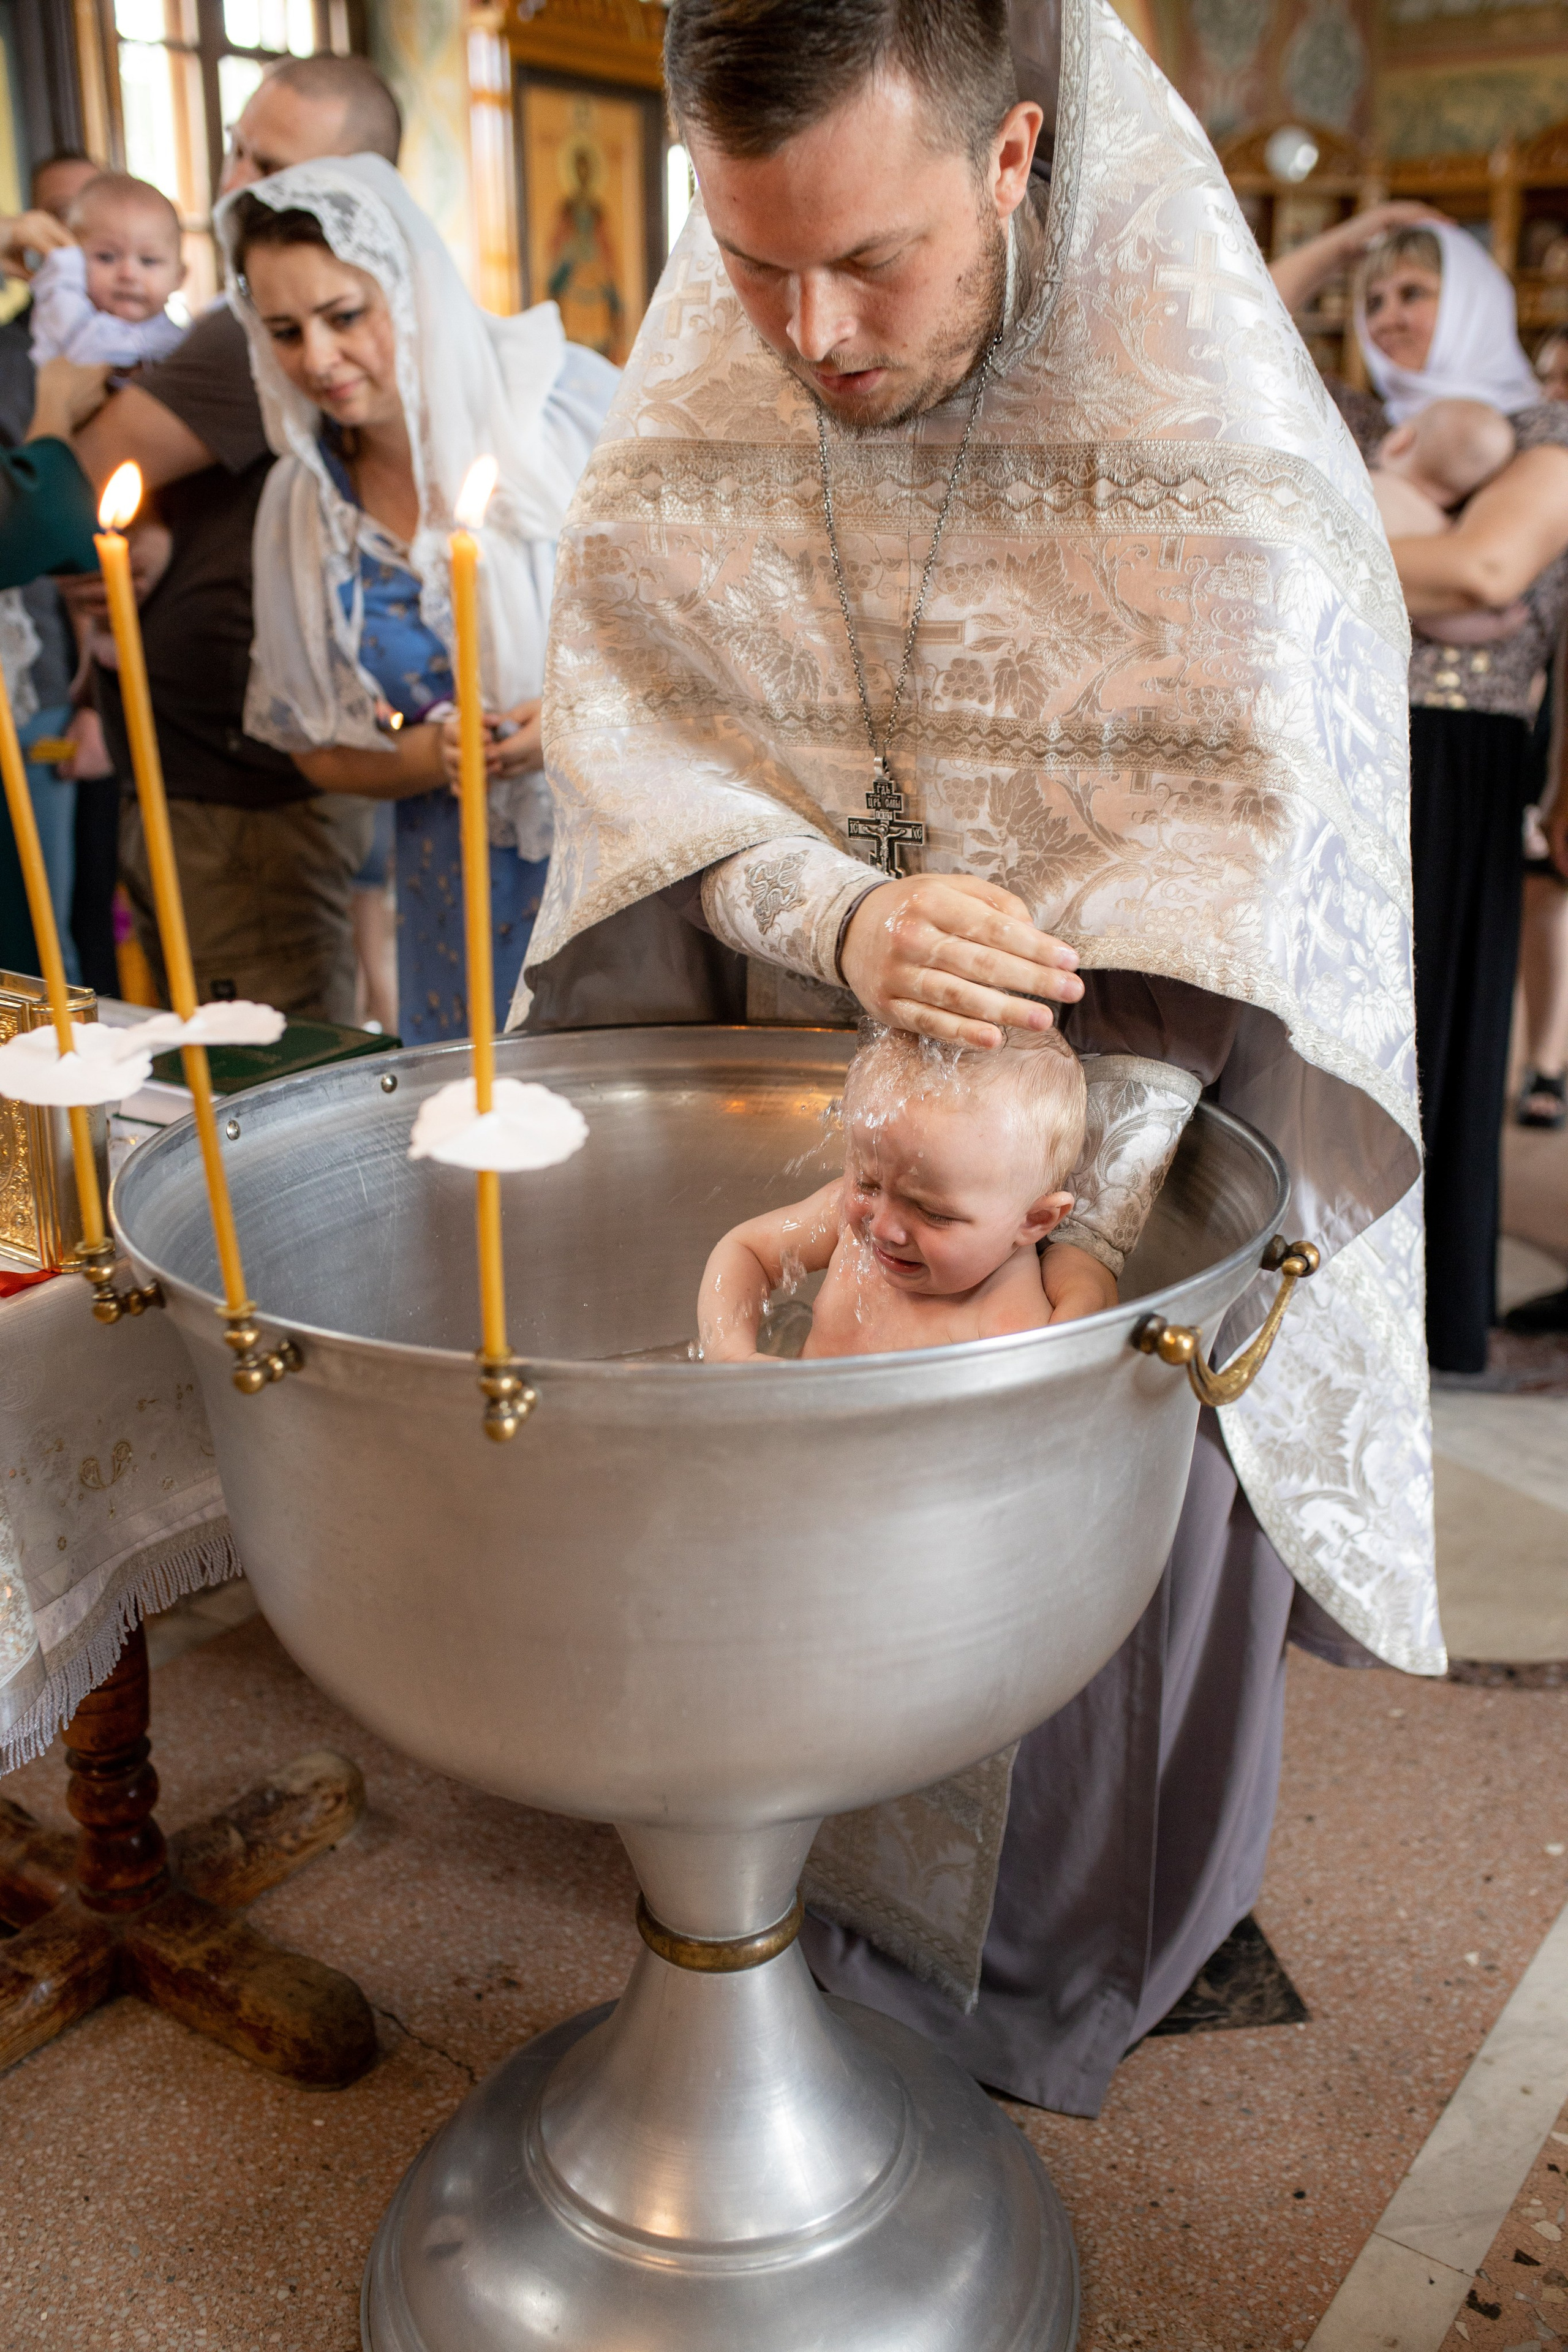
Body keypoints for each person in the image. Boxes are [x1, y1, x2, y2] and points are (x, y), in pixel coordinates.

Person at [522, 0, 1437, 2116]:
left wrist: (1045, 1055)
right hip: (793, 1051)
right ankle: (750, 1892)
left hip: (1106, 1109)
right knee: (772, 1534)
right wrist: (832, 910)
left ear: (1015, 157)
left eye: (875, 259)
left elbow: (1283, 821)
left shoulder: (1212, 417)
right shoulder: (732, 354)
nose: (812, 334)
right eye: (748, 260)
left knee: (1052, 1603)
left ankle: (1033, 1995)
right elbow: (633, 727)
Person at [31, 54, 415, 1022]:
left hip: (249, 805)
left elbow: (71, 486)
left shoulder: (256, 334)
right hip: (197, 779)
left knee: (259, 1098)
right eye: (234, 147)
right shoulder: (240, 321)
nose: (231, 180)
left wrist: (48, 407)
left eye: (268, 164)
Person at [215, 156, 616, 1041]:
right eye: (284, 331)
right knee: (477, 1145)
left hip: (613, 861)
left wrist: (579, 719)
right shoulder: (307, 503)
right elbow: (314, 742)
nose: (318, 359)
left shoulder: (566, 408)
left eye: (344, 316)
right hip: (451, 881)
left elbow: (709, 634)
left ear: (412, 290)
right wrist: (431, 754)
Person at [1278, 214, 1568, 1376]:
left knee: (1437, 1032)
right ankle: (1319, 1287)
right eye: (1376, 296)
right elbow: (1225, 314)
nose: (1391, 312)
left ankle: (1429, 1313)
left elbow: (1492, 571)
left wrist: (1305, 531)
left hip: (1459, 755)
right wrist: (1342, 238)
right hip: (1339, 740)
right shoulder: (1354, 422)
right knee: (1326, 1031)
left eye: (1418, 289)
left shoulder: (1546, 432)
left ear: (1486, 298)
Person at [699, 1024, 1089, 1359]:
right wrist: (732, 1354)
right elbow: (747, 1252)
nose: (883, 1228)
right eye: (867, 1183)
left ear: (1034, 1220)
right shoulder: (849, 1216)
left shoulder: (1011, 1332)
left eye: (933, 1213)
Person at [28, 172, 186, 369]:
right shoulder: (68, 324)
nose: (128, 274)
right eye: (106, 257)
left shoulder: (187, 344)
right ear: (76, 263)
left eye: (148, 261)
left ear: (180, 277)